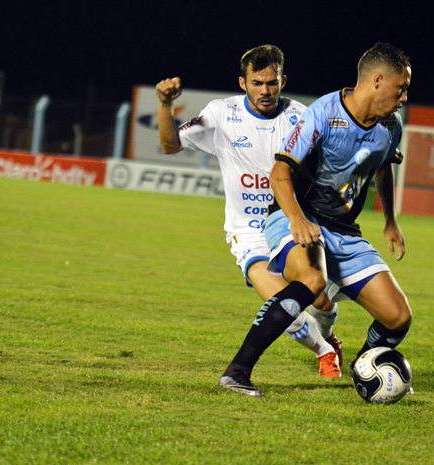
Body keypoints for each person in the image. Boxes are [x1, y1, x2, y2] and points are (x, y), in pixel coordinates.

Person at [219, 42, 413, 397]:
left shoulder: (391, 126)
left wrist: (390, 219)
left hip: (344, 229)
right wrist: (296, 219)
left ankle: (366, 367)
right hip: (297, 215)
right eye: (401, 88)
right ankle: (237, 371)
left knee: (398, 317)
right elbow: (280, 172)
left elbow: (384, 166)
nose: (403, 97)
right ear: (378, 81)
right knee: (312, 280)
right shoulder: (322, 113)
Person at [156, 45, 343, 378]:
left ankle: (328, 335)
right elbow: (170, 145)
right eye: (257, 83)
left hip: (290, 224)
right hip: (248, 232)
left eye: (272, 83)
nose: (265, 91)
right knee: (283, 307)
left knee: (321, 301)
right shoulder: (221, 113)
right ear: (243, 83)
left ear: (283, 81)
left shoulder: (302, 117)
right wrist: (166, 104)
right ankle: (325, 352)